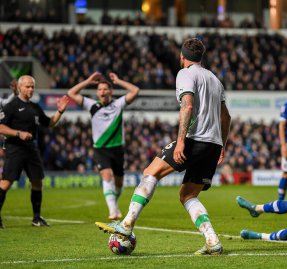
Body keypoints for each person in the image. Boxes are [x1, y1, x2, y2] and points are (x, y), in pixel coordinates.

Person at [95, 38, 232, 255]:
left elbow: (187, 106)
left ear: (182, 56)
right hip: (213, 144)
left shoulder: (185, 74)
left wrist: (180, 142)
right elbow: (226, 117)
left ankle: (127, 223)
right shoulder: (215, 79)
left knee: (151, 173)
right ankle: (212, 241)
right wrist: (222, 145)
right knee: (188, 195)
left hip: (194, 139)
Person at [68, 72, 140, 220]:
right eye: (100, 89)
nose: (102, 92)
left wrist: (119, 80)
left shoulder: (118, 104)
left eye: (105, 89)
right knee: (107, 176)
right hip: (100, 149)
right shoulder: (92, 105)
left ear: (110, 92)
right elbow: (71, 93)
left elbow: (135, 91)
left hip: (117, 148)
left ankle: (115, 204)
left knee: (119, 183)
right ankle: (113, 210)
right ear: (97, 92)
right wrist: (87, 81)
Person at [0, 75, 69, 229]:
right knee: (5, 183)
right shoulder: (11, 106)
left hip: (32, 149)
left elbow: (49, 123)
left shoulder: (35, 107)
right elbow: (1, 127)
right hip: (15, 149)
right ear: (19, 87)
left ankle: (36, 218)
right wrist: (19, 133)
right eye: (27, 86)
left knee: (37, 182)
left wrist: (60, 111)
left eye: (32, 86)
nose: (30, 89)